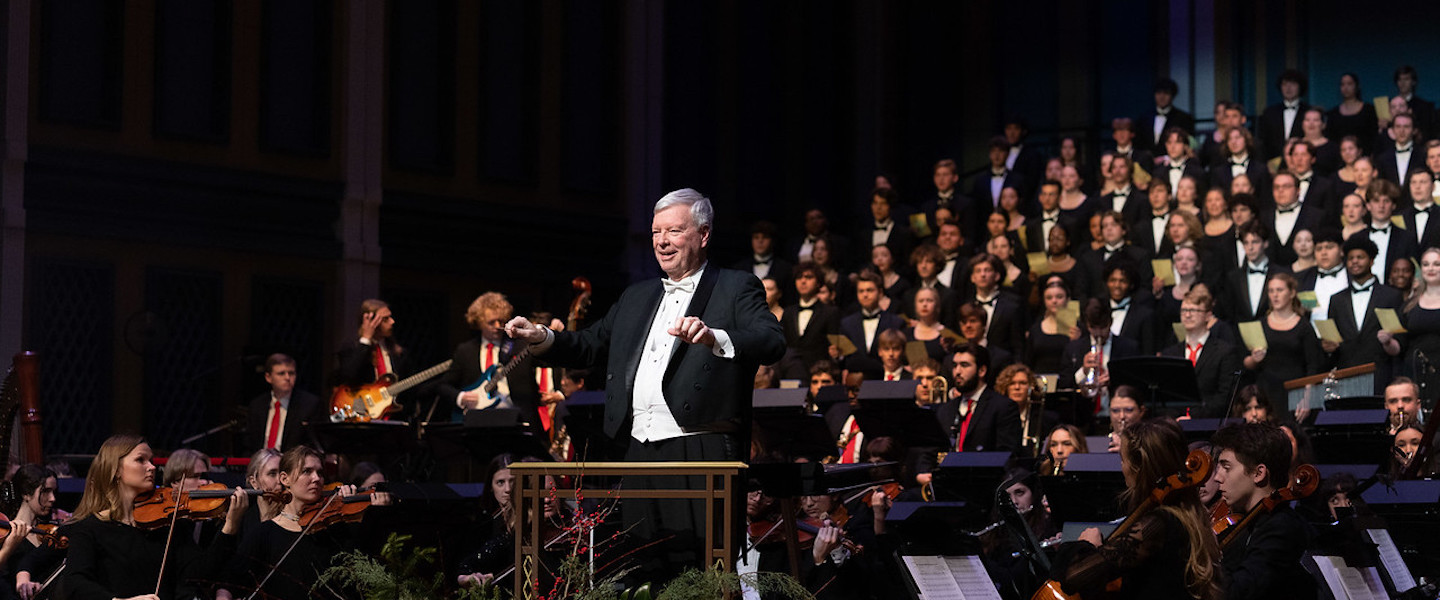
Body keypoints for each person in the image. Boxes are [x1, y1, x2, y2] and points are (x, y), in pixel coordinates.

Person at [504, 189, 785, 570]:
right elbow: (589, 346)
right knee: (645, 565)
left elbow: (771, 341)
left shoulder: (736, 286)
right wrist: (542, 337)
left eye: (674, 231)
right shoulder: (637, 295)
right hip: (637, 449)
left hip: (699, 447)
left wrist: (713, 336)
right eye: (656, 232)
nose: (663, 241)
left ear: (703, 235)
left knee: (702, 569)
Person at [1048, 419, 1222, 600]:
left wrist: (1087, 545)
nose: (1122, 467)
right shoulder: (1188, 512)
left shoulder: (1158, 524)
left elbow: (1074, 577)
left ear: (1139, 467)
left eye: (1123, 460)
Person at [60, 434, 248, 600]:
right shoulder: (90, 527)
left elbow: (198, 573)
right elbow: (74, 582)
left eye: (151, 461)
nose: (152, 467)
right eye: (141, 460)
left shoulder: (169, 524)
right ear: (115, 469)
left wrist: (230, 527)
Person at [225, 445, 357, 600]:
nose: (316, 478)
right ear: (284, 479)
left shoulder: (332, 529)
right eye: (307, 471)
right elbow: (229, 580)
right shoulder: (264, 532)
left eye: (320, 473)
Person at [1210, 422, 1316, 600]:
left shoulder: (1281, 528)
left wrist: (1208, 554)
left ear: (1259, 473)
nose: (1217, 477)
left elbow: (1238, 593)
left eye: (1226, 467)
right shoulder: (1247, 522)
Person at [437, 292, 542, 427]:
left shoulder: (521, 346)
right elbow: (443, 385)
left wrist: (551, 339)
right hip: (478, 421)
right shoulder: (465, 351)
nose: (497, 326)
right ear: (479, 322)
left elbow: (547, 361)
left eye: (501, 321)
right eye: (491, 322)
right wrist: (461, 397)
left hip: (516, 420)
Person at [1326, 236, 1406, 394]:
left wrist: (1389, 342)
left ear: (1371, 260)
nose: (1355, 261)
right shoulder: (1336, 300)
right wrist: (1328, 347)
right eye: (1350, 258)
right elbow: (1333, 342)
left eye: (1360, 257)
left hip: (1381, 375)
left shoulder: (1391, 296)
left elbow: (1401, 340)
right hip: (1345, 376)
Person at [1244, 274, 1324, 418]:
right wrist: (1255, 358)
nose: (1275, 295)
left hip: (1294, 393)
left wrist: (1307, 398)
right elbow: (1247, 363)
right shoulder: (1260, 324)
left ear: (1292, 293)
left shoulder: (1304, 327)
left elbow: (1313, 366)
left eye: (1280, 290)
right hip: (1266, 393)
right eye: (1271, 291)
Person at [1161, 287, 1242, 417]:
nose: (1187, 315)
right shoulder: (1170, 354)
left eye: (1193, 310)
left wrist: (1193, 417)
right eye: (1184, 310)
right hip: (1174, 426)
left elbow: (1225, 396)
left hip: (1208, 425)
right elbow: (1165, 395)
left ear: (1208, 315)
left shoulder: (1224, 352)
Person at [934, 344, 1020, 453]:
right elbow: (931, 451)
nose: (957, 371)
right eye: (955, 365)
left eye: (964, 365)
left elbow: (1006, 454)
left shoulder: (1003, 407)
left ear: (982, 371)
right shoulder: (945, 410)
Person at [244, 353, 323, 454]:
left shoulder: (310, 405)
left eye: (291, 373)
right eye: (281, 373)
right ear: (268, 377)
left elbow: (312, 446)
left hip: (293, 465)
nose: (287, 378)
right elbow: (248, 445)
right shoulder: (256, 405)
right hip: (261, 465)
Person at [777, 263, 842, 380]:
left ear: (818, 283)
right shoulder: (788, 312)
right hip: (791, 373)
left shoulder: (831, 312)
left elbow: (834, 348)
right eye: (799, 277)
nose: (803, 281)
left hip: (819, 374)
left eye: (808, 277)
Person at [336, 298, 408, 389]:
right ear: (370, 321)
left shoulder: (397, 351)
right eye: (385, 319)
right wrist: (366, 339)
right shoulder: (351, 346)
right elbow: (348, 376)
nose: (392, 321)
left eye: (390, 317)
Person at [1364, 179, 1419, 282]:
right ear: (1368, 205)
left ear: (1393, 205)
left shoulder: (1406, 238)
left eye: (1386, 201)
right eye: (1376, 201)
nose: (1381, 206)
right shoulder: (1358, 238)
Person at [1027, 277, 1081, 376]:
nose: (1054, 301)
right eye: (1049, 298)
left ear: (1068, 299)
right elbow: (1028, 360)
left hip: (1067, 380)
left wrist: (1077, 342)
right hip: (1041, 381)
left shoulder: (1078, 328)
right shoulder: (1035, 329)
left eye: (1059, 297)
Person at [1405, 248, 1440, 385]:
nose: (1430, 268)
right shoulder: (1410, 304)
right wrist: (1388, 340)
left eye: (1436, 264)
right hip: (1414, 372)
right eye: (1426, 264)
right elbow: (1401, 342)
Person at [1258, 69, 1309, 161]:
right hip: (1274, 162)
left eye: (1293, 84)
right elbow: (1263, 141)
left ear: (1300, 87)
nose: (1288, 88)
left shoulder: (1308, 112)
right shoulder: (1270, 113)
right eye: (1285, 84)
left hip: (1302, 160)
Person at [1327, 73, 1379, 154]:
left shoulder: (1368, 110)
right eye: (1342, 84)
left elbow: (1374, 136)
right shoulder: (1333, 113)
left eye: (1349, 84)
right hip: (1339, 158)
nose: (1346, 87)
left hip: (1365, 157)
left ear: (1357, 86)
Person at [1374, 113, 1419, 185]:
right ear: (1392, 130)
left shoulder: (1423, 154)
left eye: (1406, 127)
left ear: (1414, 130)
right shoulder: (1383, 158)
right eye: (1398, 127)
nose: (1402, 131)